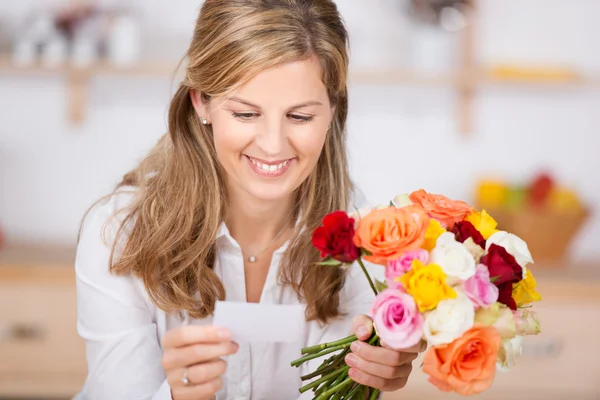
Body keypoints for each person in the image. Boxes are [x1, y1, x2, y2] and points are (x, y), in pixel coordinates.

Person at [74, 1, 423, 399]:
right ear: (201, 102)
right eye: (245, 114)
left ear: (333, 110)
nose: (273, 146)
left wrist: (372, 372)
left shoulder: (360, 237)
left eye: (300, 117)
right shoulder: (118, 233)